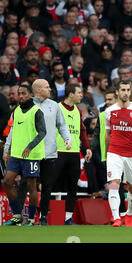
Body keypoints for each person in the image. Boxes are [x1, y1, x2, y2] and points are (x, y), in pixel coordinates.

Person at [25, 79, 71, 225]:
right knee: (26, 185)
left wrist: (67, 139)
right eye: (47, 87)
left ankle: (43, 217)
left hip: (49, 152)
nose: (50, 89)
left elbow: (62, 125)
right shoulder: (26, 106)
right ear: (38, 90)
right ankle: (22, 216)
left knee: (47, 186)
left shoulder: (54, 106)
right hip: (31, 153)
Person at [105, 80, 132, 227]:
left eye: (128, 90)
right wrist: (107, 154)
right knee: (114, 184)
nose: (125, 93)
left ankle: (129, 215)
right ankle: (116, 217)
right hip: (115, 152)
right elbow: (107, 134)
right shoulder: (109, 111)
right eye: (123, 90)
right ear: (117, 92)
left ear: (131, 91)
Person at [2, 84, 46, 226]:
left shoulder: (36, 111)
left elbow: (42, 132)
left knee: (31, 186)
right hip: (16, 154)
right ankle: (17, 215)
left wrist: (30, 147)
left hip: (31, 155)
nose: (20, 96)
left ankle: (32, 219)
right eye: (19, 93)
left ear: (30, 95)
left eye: (24, 93)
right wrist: (6, 150)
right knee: (7, 181)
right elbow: (12, 131)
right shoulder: (16, 111)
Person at [54, 83, 93, 225]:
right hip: (58, 152)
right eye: (79, 92)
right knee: (49, 184)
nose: (82, 95)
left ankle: (68, 218)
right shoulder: (57, 108)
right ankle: (43, 215)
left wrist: (87, 148)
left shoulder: (77, 110)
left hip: (74, 153)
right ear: (71, 94)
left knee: (72, 186)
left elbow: (82, 131)